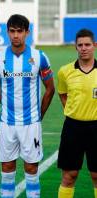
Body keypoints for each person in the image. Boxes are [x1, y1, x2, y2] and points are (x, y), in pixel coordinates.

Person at [0, 14, 55, 198]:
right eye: (12, 31)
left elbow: (50, 88)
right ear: (7, 33)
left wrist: (39, 114)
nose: (16, 35)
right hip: (7, 123)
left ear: (27, 32)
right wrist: (6, 104)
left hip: (31, 123)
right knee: (7, 167)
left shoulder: (39, 56)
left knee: (31, 168)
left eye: (20, 31)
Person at [57, 29, 97, 198]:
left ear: (94, 46)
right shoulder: (65, 72)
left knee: (96, 175)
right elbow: (63, 94)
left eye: (87, 44)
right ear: (75, 47)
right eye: (80, 45)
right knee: (69, 176)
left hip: (96, 127)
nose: (84, 48)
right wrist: (74, 111)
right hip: (73, 127)